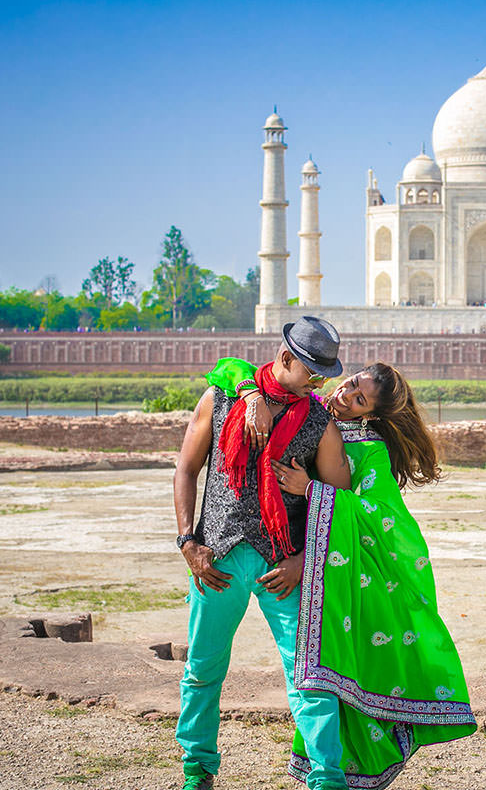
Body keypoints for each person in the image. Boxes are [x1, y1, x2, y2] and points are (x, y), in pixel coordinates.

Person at [206, 359, 476, 790]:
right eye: (351, 385)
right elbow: (228, 367)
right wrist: (251, 392)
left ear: (369, 413)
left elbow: (382, 517)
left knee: (328, 670)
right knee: (304, 670)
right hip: (276, 557)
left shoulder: (369, 450)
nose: (345, 397)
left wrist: (309, 489)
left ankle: (335, 776)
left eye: (358, 399)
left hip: (340, 575)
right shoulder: (306, 403)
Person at [174, 316, 352, 790]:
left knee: (309, 677)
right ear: (287, 357)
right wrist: (188, 542)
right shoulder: (223, 399)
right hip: (218, 560)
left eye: (324, 375)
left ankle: (327, 778)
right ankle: (198, 767)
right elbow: (187, 471)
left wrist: (303, 561)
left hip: (285, 566)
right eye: (312, 372)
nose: (319, 383)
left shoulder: (318, 421)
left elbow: (341, 504)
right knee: (203, 669)